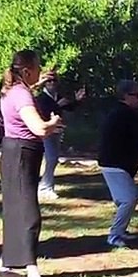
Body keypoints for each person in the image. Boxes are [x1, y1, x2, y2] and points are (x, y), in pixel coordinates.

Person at [0, 50, 64, 277]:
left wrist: (39, 82)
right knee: (29, 214)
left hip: (15, 153)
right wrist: (53, 123)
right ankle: (31, 270)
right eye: (37, 68)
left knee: (14, 210)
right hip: (22, 155)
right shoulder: (22, 94)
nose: (40, 71)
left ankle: (5, 265)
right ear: (26, 71)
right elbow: (38, 128)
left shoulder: (11, 90)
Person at [97, 80, 138, 248]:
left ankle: (121, 231)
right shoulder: (124, 114)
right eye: (137, 95)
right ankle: (114, 235)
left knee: (125, 199)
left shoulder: (123, 113)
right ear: (126, 96)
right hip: (114, 164)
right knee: (128, 199)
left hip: (115, 164)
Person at [35, 72, 86, 201]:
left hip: (57, 131)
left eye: (54, 81)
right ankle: (45, 188)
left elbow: (69, 107)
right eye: (49, 81)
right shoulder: (42, 98)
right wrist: (58, 105)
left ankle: (47, 186)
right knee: (51, 158)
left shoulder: (57, 96)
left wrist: (78, 100)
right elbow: (44, 113)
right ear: (44, 84)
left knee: (53, 159)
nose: (52, 84)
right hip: (46, 132)